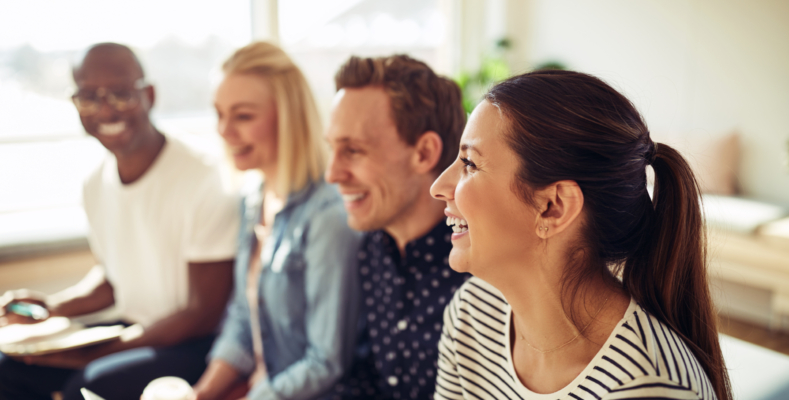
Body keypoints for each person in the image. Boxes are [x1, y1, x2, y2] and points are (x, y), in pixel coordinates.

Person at [429, 70, 732, 400]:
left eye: (469, 163)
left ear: (553, 207)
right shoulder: (473, 311)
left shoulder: (651, 388)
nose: (438, 188)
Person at [0, 43, 239, 400]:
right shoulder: (94, 182)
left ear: (149, 95)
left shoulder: (206, 176)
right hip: (135, 329)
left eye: (121, 94)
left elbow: (203, 314)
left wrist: (94, 353)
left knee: (90, 380)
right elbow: (114, 278)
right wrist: (50, 309)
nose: (106, 109)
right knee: (7, 367)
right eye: (89, 97)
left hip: (197, 342)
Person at [190, 41, 362, 400]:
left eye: (243, 116)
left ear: (288, 117)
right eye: (220, 114)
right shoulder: (253, 197)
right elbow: (241, 316)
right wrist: (200, 394)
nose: (224, 130)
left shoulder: (328, 216)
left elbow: (325, 362)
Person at [322, 55, 469, 400]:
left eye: (353, 150)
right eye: (332, 149)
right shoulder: (372, 246)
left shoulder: (481, 267)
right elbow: (369, 375)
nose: (332, 174)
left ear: (424, 153)